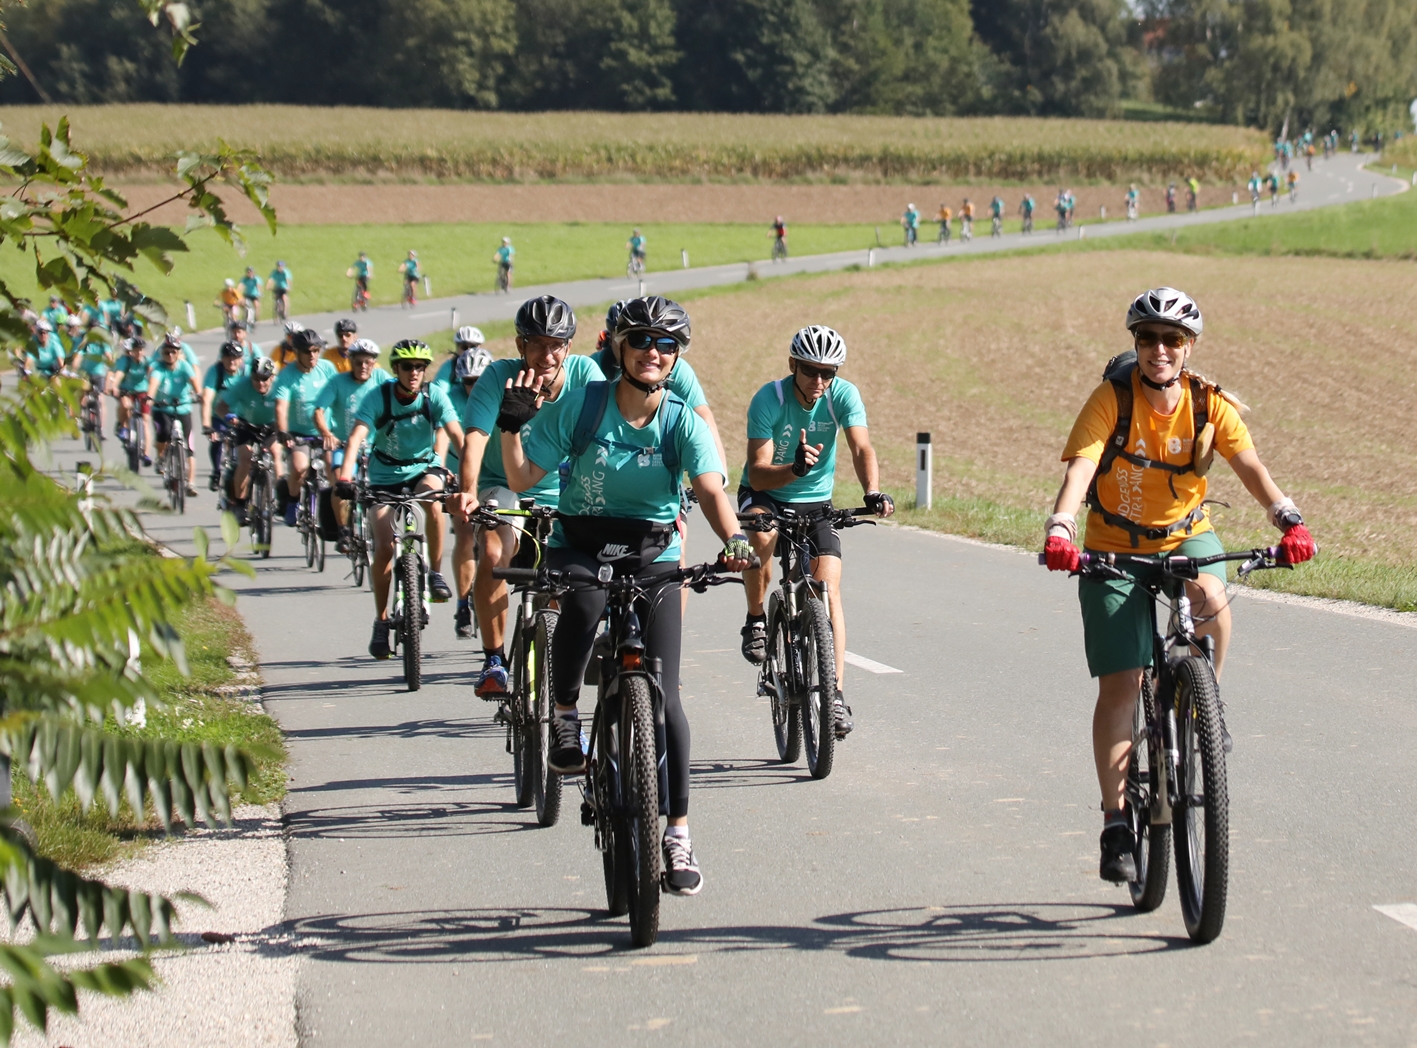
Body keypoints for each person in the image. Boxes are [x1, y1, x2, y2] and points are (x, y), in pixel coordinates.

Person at [1042, 287, 1316, 883]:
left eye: (1171, 339)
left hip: (1185, 535)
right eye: (1148, 338)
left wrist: (1288, 519)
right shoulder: (1111, 398)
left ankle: (1203, 705)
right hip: (1113, 546)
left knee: (1214, 599)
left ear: (1188, 347)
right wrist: (1062, 527)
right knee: (1121, 684)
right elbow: (1082, 468)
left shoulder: (1208, 404)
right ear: (1135, 344)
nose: (1159, 349)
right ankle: (1116, 821)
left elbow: (1251, 468)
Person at [498, 294, 753, 896]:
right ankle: (565, 717)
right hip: (581, 539)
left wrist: (736, 537)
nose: (654, 353)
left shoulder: (682, 420)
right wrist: (511, 425)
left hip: (652, 547)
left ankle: (678, 833)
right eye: (641, 340)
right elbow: (521, 479)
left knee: (666, 699)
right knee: (583, 604)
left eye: (667, 345)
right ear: (618, 346)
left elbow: (713, 491)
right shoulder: (584, 408)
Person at [736, 325, 894, 739]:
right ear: (793, 365)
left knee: (827, 588)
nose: (819, 381)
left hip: (815, 503)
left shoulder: (842, 395)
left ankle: (835, 696)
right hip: (765, 493)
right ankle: (755, 618)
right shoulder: (768, 399)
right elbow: (757, 470)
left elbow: (861, 448)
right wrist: (795, 469)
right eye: (810, 370)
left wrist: (872, 491)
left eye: (829, 372)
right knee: (763, 538)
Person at [447, 296, 603, 693]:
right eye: (536, 343)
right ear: (520, 346)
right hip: (504, 487)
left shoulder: (587, 375)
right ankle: (494, 659)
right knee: (495, 553)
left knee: (578, 584)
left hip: (570, 491)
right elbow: (475, 440)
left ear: (569, 346)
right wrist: (467, 492)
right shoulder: (499, 377)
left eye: (556, 344)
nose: (546, 354)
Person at [335, 340, 464, 659]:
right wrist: (344, 477)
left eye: (420, 367)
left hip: (423, 468)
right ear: (396, 369)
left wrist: (474, 477)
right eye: (408, 367)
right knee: (383, 547)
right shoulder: (379, 396)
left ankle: (434, 573)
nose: (414, 373)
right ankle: (380, 622)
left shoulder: (433, 395)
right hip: (383, 476)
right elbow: (357, 437)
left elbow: (457, 435)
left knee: (432, 498)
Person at [313, 339, 390, 551]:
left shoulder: (383, 379)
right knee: (340, 480)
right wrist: (327, 433)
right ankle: (344, 531)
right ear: (350, 362)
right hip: (344, 445)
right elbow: (318, 410)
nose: (363, 367)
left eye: (368, 362)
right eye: (358, 363)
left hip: (376, 446)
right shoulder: (338, 382)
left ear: (374, 363)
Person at [439, 345, 492, 637]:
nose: (474, 387)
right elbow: (442, 437)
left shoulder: (498, 397)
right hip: (457, 472)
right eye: (468, 382)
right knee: (463, 533)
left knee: (489, 545)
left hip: (490, 476)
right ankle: (462, 603)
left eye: (479, 381)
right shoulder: (450, 400)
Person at [273, 328, 337, 527]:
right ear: (297, 353)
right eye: (308, 351)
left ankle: (334, 513)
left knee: (333, 470)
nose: (312, 356)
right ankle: (292, 501)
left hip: (327, 432)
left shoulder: (327, 368)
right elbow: (281, 408)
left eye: (316, 351)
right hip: (299, 434)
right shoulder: (287, 375)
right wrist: (283, 432)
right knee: (299, 467)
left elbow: (339, 397)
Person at [215, 356, 280, 519]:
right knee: (245, 459)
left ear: (272, 377)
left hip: (271, 427)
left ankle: (279, 498)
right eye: (256, 379)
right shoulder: (242, 385)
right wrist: (229, 417)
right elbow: (220, 407)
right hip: (246, 426)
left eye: (265, 379)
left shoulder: (280, 387)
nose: (261, 383)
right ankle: (240, 502)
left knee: (276, 453)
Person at [146, 334, 203, 496]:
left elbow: (194, 382)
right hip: (162, 408)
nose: (170, 355)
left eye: (173, 352)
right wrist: (150, 397)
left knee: (189, 447)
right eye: (167, 352)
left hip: (183, 408)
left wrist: (198, 394)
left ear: (179, 353)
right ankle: (162, 458)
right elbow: (154, 384)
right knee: (163, 433)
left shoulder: (184, 366)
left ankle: (190, 484)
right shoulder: (158, 368)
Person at [200, 341, 248, 491]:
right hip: (219, 416)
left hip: (241, 417)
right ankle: (216, 472)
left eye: (236, 358)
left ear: (241, 359)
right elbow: (207, 399)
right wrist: (207, 426)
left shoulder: (246, 372)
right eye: (228, 357)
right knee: (217, 441)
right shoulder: (216, 372)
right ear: (222, 358)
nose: (232, 361)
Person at [106, 337, 152, 462]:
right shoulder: (126, 361)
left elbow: (153, 375)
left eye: (141, 350)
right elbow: (119, 373)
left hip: (142, 391)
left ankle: (146, 454)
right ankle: (123, 426)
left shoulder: (147, 362)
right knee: (125, 405)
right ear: (132, 351)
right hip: (127, 390)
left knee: (146, 420)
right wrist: (114, 386)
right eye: (136, 350)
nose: (139, 353)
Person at [431, 325, 485, 393]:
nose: (469, 351)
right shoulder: (448, 367)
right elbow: (440, 395)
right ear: (457, 348)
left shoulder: (489, 366)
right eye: (464, 347)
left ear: (481, 348)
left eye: (473, 347)